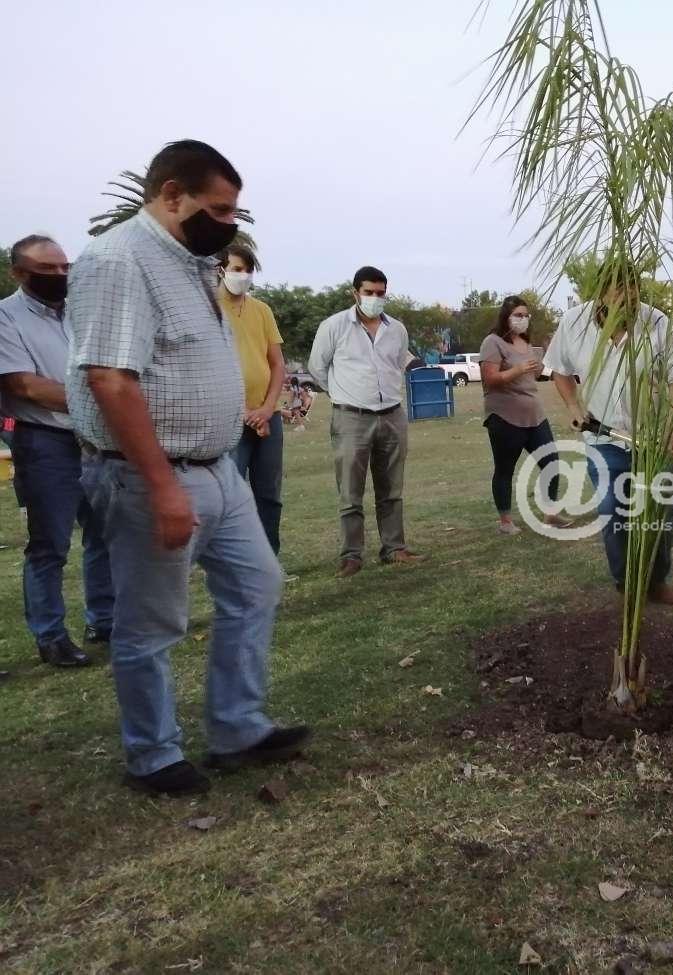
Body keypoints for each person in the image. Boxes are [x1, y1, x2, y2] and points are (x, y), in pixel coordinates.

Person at [67, 140, 309, 796]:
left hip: (218, 468)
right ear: (172, 195)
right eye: (219, 209)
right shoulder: (118, 261)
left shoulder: (191, 264)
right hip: (150, 474)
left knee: (257, 585)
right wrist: (161, 485)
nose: (228, 224)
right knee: (152, 623)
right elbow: (111, 380)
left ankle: (237, 727)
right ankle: (153, 756)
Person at [544, 264, 673, 606]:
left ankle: (657, 581)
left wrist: (670, 427)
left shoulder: (657, 322)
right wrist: (573, 406)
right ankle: (626, 583)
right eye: (620, 290)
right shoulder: (574, 323)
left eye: (634, 288)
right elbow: (559, 370)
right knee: (613, 511)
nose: (630, 297)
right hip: (604, 438)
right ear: (602, 292)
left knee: (663, 509)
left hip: (653, 439)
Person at [0, 235, 114, 668]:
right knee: (50, 544)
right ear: (19, 273)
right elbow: (24, 385)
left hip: (94, 438)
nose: (60, 275)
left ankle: (104, 620)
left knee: (103, 533)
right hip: (44, 441)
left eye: (65, 267)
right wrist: (104, 400)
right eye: (47, 269)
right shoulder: (5, 318)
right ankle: (50, 636)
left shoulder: (80, 313)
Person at [308, 266, 424, 578]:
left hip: (392, 415)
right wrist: (343, 395)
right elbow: (317, 368)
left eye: (380, 293)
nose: (375, 298)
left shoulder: (396, 329)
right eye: (368, 292)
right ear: (355, 293)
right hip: (351, 417)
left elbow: (398, 364)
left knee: (392, 488)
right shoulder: (334, 326)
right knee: (350, 491)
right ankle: (351, 555)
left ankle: (394, 548)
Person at [218, 244, 287, 557]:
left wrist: (267, 408)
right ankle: (235, 563)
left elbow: (277, 363)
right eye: (237, 269)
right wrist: (244, 412)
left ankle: (269, 560)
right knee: (231, 496)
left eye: (248, 270)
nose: (243, 276)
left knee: (269, 494)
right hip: (229, 417)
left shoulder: (262, 310)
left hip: (267, 416)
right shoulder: (208, 307)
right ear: (220, 269)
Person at [479, 296, 569, 534]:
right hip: (505, 416)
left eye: (526, 315)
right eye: (518, 315)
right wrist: (517, 369)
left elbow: (536, 373)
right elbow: (490, 379)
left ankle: (551, 513)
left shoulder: (526, 343)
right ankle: (505, 522)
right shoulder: (492, 342)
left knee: (551, 461)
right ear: (506, 316)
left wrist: (545, 371)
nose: (523, 319)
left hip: (535, 415)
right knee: (505, 469)